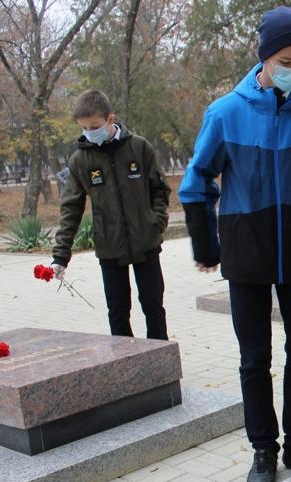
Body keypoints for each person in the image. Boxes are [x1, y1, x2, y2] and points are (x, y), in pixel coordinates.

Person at [179, 6, 291, 482]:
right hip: (246, 255)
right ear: (266, 58)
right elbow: (196, 183)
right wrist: (209, 246)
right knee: (254, 358)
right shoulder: (226, 112)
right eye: (287, 60)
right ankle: (263, 449)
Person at [51, 89, 171, 340]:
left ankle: (160, 359)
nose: (89, 132)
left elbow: (159, 190)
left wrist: (156, 222)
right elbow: (71, 208)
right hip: (109, 246)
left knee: (153, 306)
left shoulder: (139, 148)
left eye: (94, 126)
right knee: (117, 310)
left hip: (145, 241)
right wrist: (61, 255)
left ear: (110, 119)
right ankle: (125, 363)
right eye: (84, 128)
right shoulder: (80, 160)